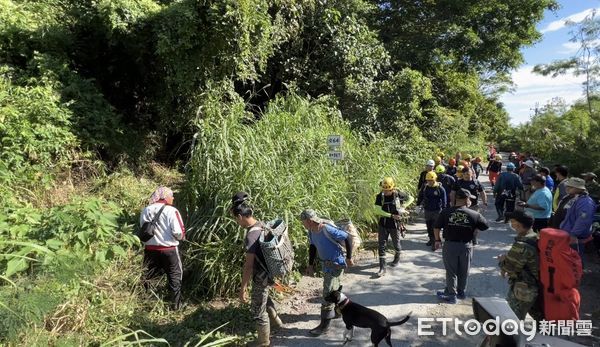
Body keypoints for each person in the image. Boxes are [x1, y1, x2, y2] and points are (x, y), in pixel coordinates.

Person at [233, 194, 284, 347]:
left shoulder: (251, 236)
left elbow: (248, 266)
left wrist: (243, 288)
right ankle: (276, 324)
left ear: (241, 216)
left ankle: (263, 342)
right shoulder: (262, 224)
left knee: (257, 309)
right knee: (263, 299)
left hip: (260, 275)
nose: (236, 221)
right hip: (269, 271)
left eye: (235, 218)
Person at [301, 209, 353, 336]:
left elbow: (347, 237)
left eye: (303, 221)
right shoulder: (311, 231)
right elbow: (312, 247)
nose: (302, 224)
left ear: (309, 221)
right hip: (326, 265)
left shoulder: (326, 229)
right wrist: (310, 265)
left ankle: (324, 326)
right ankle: (337, 312)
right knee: (334, 289)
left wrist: (349, 258)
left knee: (327, 294)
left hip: (335, 264)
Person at [434, 188, 490, 303]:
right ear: (466, 199)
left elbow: (436, 227)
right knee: (464, 270)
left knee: (451, 271)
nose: (470, 201)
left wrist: (437, 240)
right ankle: (460, 292)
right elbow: (485, 226)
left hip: (450, 245)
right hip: (466, 246)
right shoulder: (475, 214)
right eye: (469, 199)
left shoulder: (446, 212)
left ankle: (451, 294)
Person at [140, 186, 185, 310]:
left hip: (150, 250)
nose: (173, 198)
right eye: (171, 195)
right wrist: (180, 238)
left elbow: (143, 229)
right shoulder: (172, 211)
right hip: (169, 250)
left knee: (149, 276)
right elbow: (178, 232)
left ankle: (147, 304)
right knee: (175, 276)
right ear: (164, 197)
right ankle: (175, 306)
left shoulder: (146, 210)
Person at [498, 210, 542, 320]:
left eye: (512, 221)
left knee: (509, 321)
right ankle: (544, 336)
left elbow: (509, 269)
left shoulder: (521, 245)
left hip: (524, 290)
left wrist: (502, 260)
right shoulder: (535, 237)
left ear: (517, 224)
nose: (511, 223)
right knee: (540, 319)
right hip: (537, 286)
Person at [374, 177, 414, 277]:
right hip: (383, 224)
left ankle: (397, 257)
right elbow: (377, 211)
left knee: (396, 243)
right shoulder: (380, 196)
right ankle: (382, 268)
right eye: (384, 190)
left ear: (392, 188)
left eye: (388, 190)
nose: (386, 192)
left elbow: (411, 198)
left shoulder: (398, 194)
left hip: (395, 224)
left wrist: (404, 206)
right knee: (381, 245)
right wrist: (391, 215)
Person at [560, 178, 597, 259]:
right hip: (569, 234)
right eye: (568, 186)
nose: (567, 188)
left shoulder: (585, 202)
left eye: (571, 187)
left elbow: (583, 221)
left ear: (579, 189)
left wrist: (574, 234)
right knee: (569, 259)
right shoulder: (576, 198)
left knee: (576, 260)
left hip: (576, 237)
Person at [417, 171, 447, 249]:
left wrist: (444, 210)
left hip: (437, 210)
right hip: (427, 210)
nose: (429, 182)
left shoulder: (440, 188)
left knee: (435, 226)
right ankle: (431, 239)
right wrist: (418, 205)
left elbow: (444, 200)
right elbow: (420, 196)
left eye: (431, 180)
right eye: (428, 180)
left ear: (435, 179)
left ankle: (435, 242)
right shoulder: (425, 187)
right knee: (429, 226)